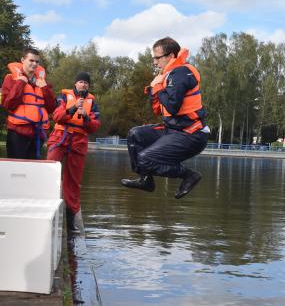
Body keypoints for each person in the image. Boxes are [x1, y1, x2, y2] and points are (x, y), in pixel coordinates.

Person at [121, 37, 209, 199]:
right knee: (135, 134)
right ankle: (146, 179)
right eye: (153, 58)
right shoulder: (168, 75)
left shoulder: (182, 72)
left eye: (157, 57)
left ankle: (189, 175)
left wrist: (158, 88)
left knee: (145, 159)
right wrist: (154, 91)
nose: (154, 62)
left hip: (192, 134)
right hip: (173, 130)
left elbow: (172, 106)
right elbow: (158, 109)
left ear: (171, 56)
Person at [47, 72, 101, 232]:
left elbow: (95, 126)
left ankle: (73, 218)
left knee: (73, 181)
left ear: (88, 86)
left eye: (86, 83)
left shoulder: (93, 103)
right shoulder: (63, 98)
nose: (83, 85)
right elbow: (56, 116)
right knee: (49, 171)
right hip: (60, 138)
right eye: (81, 82)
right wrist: (72, 109)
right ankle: (48, 206)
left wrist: (86, 118)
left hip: (78, 142)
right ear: (75, 83)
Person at [1, 48, 56, 159]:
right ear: (23, 60)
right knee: (16, 171)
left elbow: (52, 108)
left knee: (33, 172)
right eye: (31, 60)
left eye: (37, 61)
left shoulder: (43, 82)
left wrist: (45, 88)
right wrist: (20, 83)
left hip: (37, 135)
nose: (34, 64)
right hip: (17, 133)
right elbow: (8, 105)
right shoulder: (10, 79)